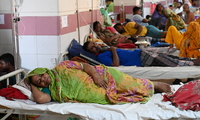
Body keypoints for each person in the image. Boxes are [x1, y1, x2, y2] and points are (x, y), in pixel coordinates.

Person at [27, 60, 172, 104]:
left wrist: (96, 76)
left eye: (41, 76)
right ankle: (149, 88)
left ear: (44, 70)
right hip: (93, 92)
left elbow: (85, 66)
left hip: (101, 76)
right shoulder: (52, 90)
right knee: (114, 96)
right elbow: (41, 99)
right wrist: (32, 84)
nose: (43, 80)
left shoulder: (62, 66)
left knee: (126, 83)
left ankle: (153, 84)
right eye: (39, 82)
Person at [82, 41, 200, 67]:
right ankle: (193, 63)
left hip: (140, 53)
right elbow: (115, 64)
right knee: (168, 61)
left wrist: (110, 49)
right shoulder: (101, 57)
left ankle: (191, 59)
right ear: (90, 52)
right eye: (92, 47)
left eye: (95, 44)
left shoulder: (104, 50)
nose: (96, 46)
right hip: (141, 60)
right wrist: (113, 50)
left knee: (170, 55)